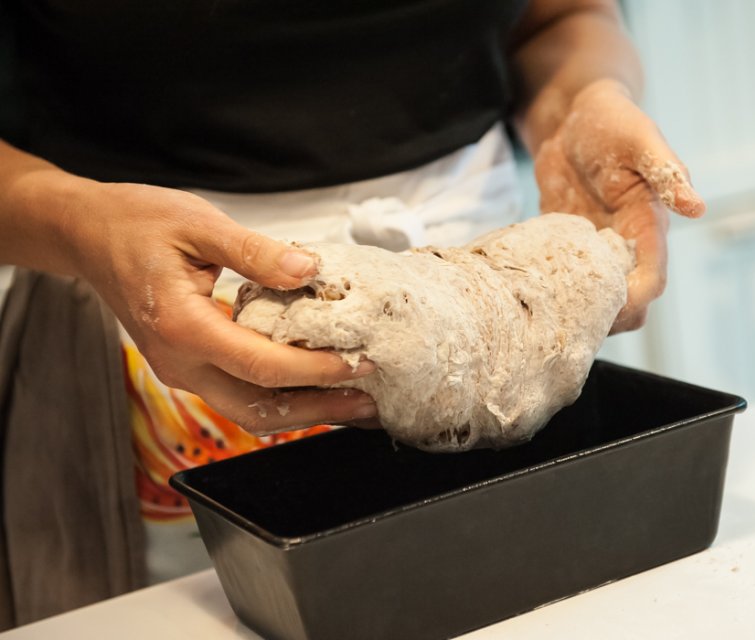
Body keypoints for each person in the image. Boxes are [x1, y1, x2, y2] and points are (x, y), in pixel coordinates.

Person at [0, 0, 705, 628]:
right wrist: (74, 225)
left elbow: (558, 16)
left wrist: (582, 100)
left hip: (489, 289)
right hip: (157, 299)